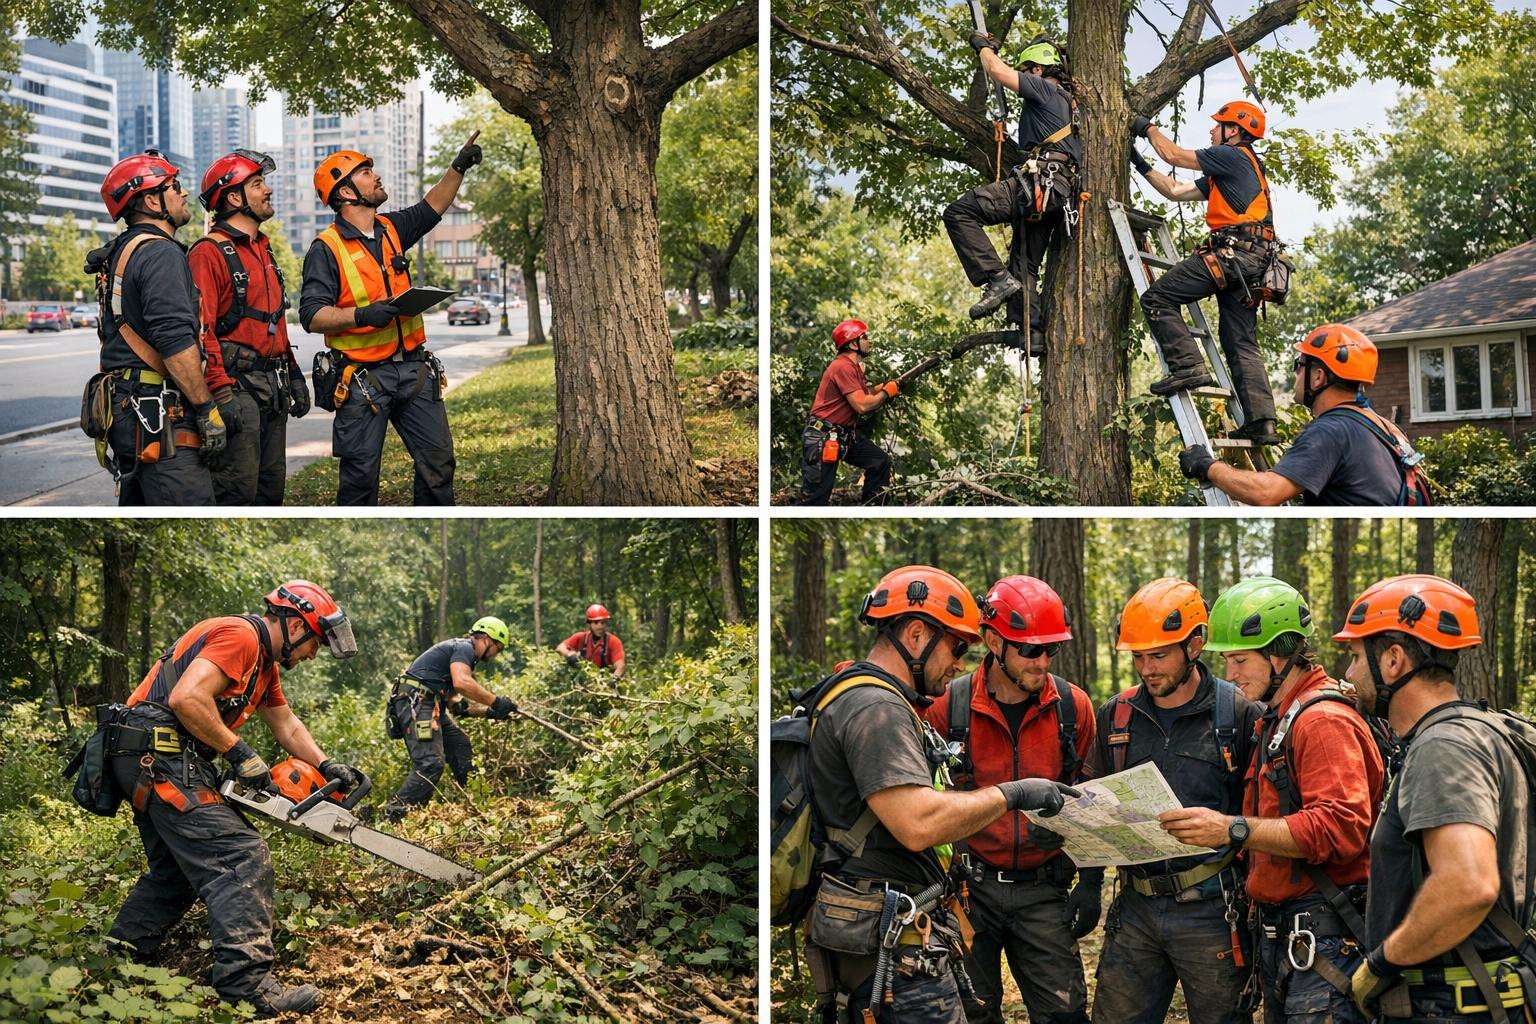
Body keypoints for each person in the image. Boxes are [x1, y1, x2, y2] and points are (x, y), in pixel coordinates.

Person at [802, 566, 1080, 1023]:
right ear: (916, 635)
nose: (959, 664)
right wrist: (1012, 794)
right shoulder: (878, 708)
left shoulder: (861, 696)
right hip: (886, 937)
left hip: (878, 926)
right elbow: (918, 823)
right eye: (956, 647)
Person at [104, 581, 359, 1017]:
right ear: (296, 625)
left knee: (175, 872)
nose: (312, 655)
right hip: (156, 751)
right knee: (241, 854)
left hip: (158, 755)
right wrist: (239, 753)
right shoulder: (241, 636)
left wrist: (327, 763)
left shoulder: (265, 666)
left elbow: (287, 724)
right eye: (313, 644)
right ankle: (249, 986)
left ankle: (117, 964)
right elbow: (187, 698)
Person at [1162, 577, 1384, 1024]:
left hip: (1325, 939)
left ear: (1279, 655)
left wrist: (1231, 828)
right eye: (1226, 661)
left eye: (1241, 660)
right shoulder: (1279, 720)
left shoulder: (1321, 722)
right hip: (1292, 937)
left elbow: (1338, 829)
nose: (1231, 674)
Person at [1337, 575, 1536, 1024]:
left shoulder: (1443, 747)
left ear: (1393, 661)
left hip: (1453, 1005)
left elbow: (1469, 884)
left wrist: (1380, 963)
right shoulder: (1483, 730)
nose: (1348, 674)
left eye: (1354, 657)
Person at [920, 575, 1099, 1024]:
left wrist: (1092, 882)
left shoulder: (1072, 709)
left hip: (1044, 887)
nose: (1042, 662)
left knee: (1065, 1012)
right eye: (1030, 650)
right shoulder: (949, 708)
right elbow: (922, 803)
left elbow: (1091, 798)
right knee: (972, 1010)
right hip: (968, 888)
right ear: (993, 641)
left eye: (1051, 650)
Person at [1087, 577, 1262, 1024]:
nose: (1147, 669)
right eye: (1139, 656)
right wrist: (1088, 886)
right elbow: (1092, 801)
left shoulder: (1239, 713)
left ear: (1196, 644)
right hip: (1136, 909)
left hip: (1213, 909)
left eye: (1159, 655)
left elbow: (1264, 812)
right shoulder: (1117, 715)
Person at [298, 133, 482, 505]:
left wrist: (458, 167)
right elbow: (312, 315)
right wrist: (364, 315)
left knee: (438, 464)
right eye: (365, 172)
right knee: (360, 479)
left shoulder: (391, 229)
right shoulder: (326, 248)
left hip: (414, 372)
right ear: (346, 193)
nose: (376, 175)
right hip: (364, 382)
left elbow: (432, 207)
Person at [1128, 101, 1280, 445]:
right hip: (1252, 261)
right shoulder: (1234, 169)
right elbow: (1176, 191)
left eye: (1218, 125)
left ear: (1235, 131)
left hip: (1234, 254)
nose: (1212, 131)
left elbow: (1175, 156)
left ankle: (1188, 366)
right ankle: (1262, 422)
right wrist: (1139, 163)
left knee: (1157, 298)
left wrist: (1146, 128)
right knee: (1238, 339)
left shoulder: (1233, 155)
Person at [91, 150, 227, 505]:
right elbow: (175, 342)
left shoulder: (123, 251)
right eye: (174, 186)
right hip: (160, 418)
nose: (183, 194)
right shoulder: (161, 253)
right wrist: (205, 409)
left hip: (128, 412)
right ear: (152, 200)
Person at [1179, 324, 1428, 506]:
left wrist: (1207, 466)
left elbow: (1266, 493)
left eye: (1299, 366)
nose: (1295, 375)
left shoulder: (1330, 431)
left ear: (1318, 376)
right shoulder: (1386, 428)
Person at [943, 37, 1082, 345]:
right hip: (1056, 193)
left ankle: (995, 278)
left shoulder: (1045, 88)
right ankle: (1031, 332)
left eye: (1028, 70)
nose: (1025, 75)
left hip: (1041, 182)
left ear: (1039, 69)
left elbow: (997, 71)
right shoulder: (1068, 105)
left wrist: (983, 48)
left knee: (959, 212)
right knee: (1023, 265)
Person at [190, 150, 309, 505]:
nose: (267, 191)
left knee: (272, 491)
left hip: (272, 389)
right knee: (236, 493)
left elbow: (274, 320)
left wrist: (294, 373)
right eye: (258, 184)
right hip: (237, 392)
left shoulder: (264, 248)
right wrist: (220, 396)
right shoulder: (208, 253)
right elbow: (200, 331)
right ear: (233, 197)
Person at [382, 616, 520, 820]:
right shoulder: (464, 647)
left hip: (430, 704)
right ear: (486, 639)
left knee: (460, 744)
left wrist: (492, 712)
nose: (494, 655)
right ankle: (392, 817)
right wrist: (496, 701)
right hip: (418, 702)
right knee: (431, 763)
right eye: (496, 649)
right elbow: (463, 683)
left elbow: (458, 707)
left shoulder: (459, 658)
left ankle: (477, 803)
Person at [799, 318, 898, 506]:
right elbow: (862, 405)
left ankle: (873, 508)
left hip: (843, 436)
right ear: (853, 344)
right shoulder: (843, 366)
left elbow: (863, 394)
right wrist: (886, 393)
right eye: (864, 337)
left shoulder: (853, 367)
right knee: (815, 499)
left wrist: (883, 388)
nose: (869, 341)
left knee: (879, 461)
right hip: (823, 437)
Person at [557, 604, 626, 679]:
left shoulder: (613, 641)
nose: (600, 627)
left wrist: (614, 680)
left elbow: (620, 666)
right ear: (589, 623)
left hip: (604, 683)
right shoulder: (581, 637)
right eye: (596, 623)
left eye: (603, 623)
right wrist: (570, 654)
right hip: (581, 683)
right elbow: (560, 648)